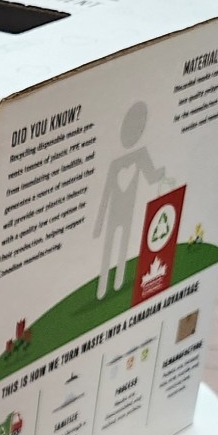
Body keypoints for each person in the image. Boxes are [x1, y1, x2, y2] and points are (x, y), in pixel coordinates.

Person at [94, 101, 168, 300]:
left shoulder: (141, 155)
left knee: (123, 247)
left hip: (128, 211)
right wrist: (99, 225)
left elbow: (151, 175)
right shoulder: (116, 163)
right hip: (113, 214)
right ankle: (102, 288)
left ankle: (118, 283)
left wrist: (164, 172)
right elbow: (106, 195)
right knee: (109, 247)